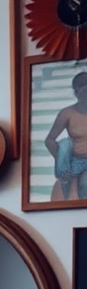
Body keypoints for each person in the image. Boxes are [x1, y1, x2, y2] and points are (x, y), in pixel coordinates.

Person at [44, 70, 87, 199]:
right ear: (76, 92)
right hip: (75, 161)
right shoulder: (67, 113)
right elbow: (49, 140)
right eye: (82, 87)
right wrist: (62, 160)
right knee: (64, 144)